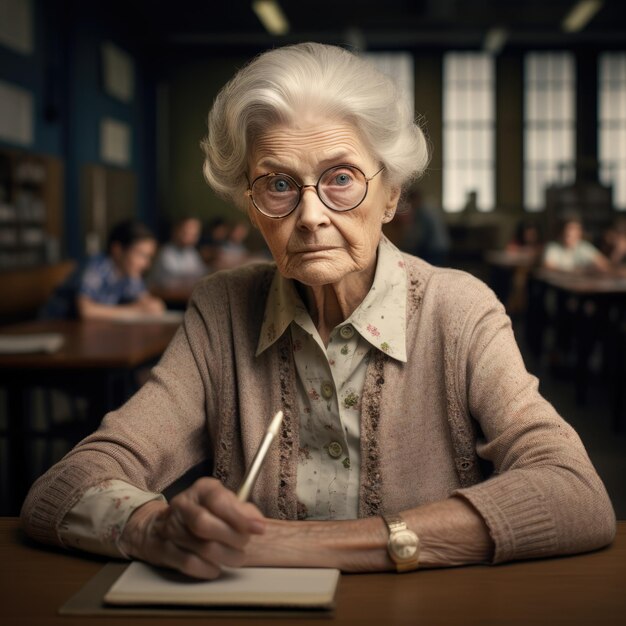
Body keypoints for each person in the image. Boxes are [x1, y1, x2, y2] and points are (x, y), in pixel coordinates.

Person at [23, 43, 614, 579]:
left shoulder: (459, 309)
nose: (309, 216)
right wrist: (156, 530)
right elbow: (65, 486)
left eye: (341, 178)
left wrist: (296, 546)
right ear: (251, 208)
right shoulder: (221, 309)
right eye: (278, 184)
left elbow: (574, 495)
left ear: (392, 196)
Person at [41, 219, 165, 320]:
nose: (146, 264)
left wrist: (152, 305)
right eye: (141, 255)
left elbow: (145, 301)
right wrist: (135, 311)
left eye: (149, 257)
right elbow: (86, 311)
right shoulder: (97, 267)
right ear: (117, 250)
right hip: (55, 327)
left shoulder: (130, 273)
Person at [149, 216, 207, 289]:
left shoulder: (191, 252)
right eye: (187, 232)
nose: (191, 236)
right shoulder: (166, 252)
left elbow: (201, 273)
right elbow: (172, 279)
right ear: (176, 230)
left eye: (194, 234)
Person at [542, 214, 610, 273]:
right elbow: (548, 267)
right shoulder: (553, 247)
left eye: (573, 230)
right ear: (562, 232)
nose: (569, 233)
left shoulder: (584, 247)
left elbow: (604, 265)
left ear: (579, 233)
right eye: (567, 230)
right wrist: (576, 271)